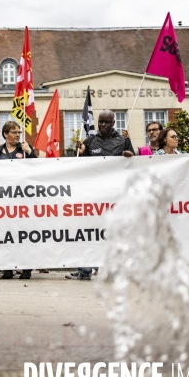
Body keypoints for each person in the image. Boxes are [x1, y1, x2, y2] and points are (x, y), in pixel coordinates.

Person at [67, 110, 134, 281]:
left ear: (113, 123)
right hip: (94, 196)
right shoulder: (90, 141)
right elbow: (83, 165)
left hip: (115, 196)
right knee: (89, 232)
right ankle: (84, 270)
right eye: (100, 122)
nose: (103, 125)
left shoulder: (123, 141)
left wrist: (129, 155)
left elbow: (135, 163)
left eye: (107, 122)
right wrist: (81, 152)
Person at [0, 121, 36, 280]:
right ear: (5, 134)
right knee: (5, 234)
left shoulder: (25, 149)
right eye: (14, 132)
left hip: (22, 199)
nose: (18, 135)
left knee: (23, 234)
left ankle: (26, 268)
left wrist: (30, 154)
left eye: (19, 132)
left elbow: (37, 169)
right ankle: (8, 267)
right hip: (3, 200)